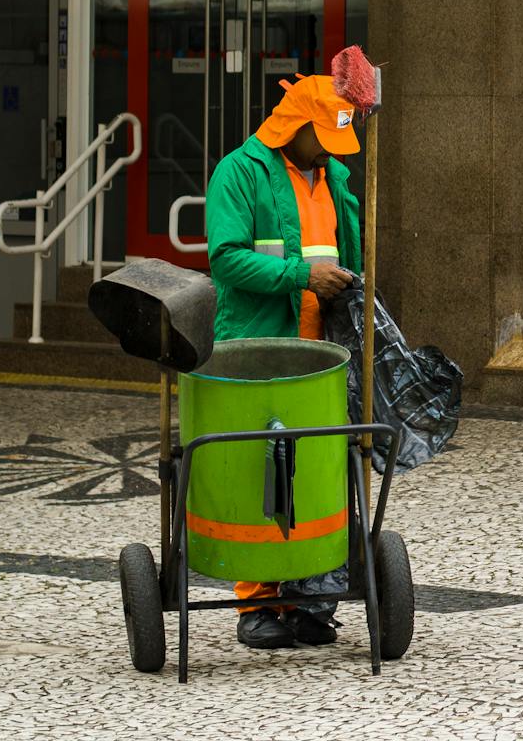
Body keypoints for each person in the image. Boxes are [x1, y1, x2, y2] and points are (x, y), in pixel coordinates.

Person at [206, 70, 364, 650]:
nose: (328, 149)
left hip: (323, 354)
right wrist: (302, 275)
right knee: (262, 471)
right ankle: (257, 602)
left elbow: (347, 254)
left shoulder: (334, 177)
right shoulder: (240, 174)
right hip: (260, 348)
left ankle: (312, 597)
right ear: (293, 127)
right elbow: (225, 259)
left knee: (318, 471)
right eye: (321, 136)